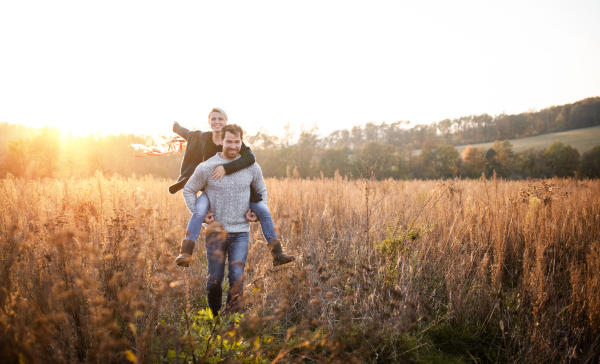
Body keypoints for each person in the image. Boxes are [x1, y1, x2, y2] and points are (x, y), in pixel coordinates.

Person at [169, 108, 294, 267]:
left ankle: (278, 254)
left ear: (226, 122)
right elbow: (187, 133)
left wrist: (226, 169)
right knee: (199, 210)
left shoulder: (234, 140)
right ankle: (185, 253)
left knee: (263, 210)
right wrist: (175, 126)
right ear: (209, 122)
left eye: (220, 119)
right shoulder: (203, 137)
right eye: (213, 119)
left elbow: (251, 158)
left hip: (239, 189)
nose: (217, 122)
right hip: (212, 190)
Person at [182, 124, 265, 316]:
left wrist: (256, 213)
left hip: (241, 232)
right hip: (215, 233)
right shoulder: (206, 167)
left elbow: (261, 190)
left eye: (237, 142)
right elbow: (189, 189)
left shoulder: (252, 167)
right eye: (229, 141)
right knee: (215, 279)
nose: (233, 145)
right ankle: (214, 317)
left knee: (237, 278)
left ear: (241, 142)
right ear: (221, 141)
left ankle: (232, 320)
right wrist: (200, 214)